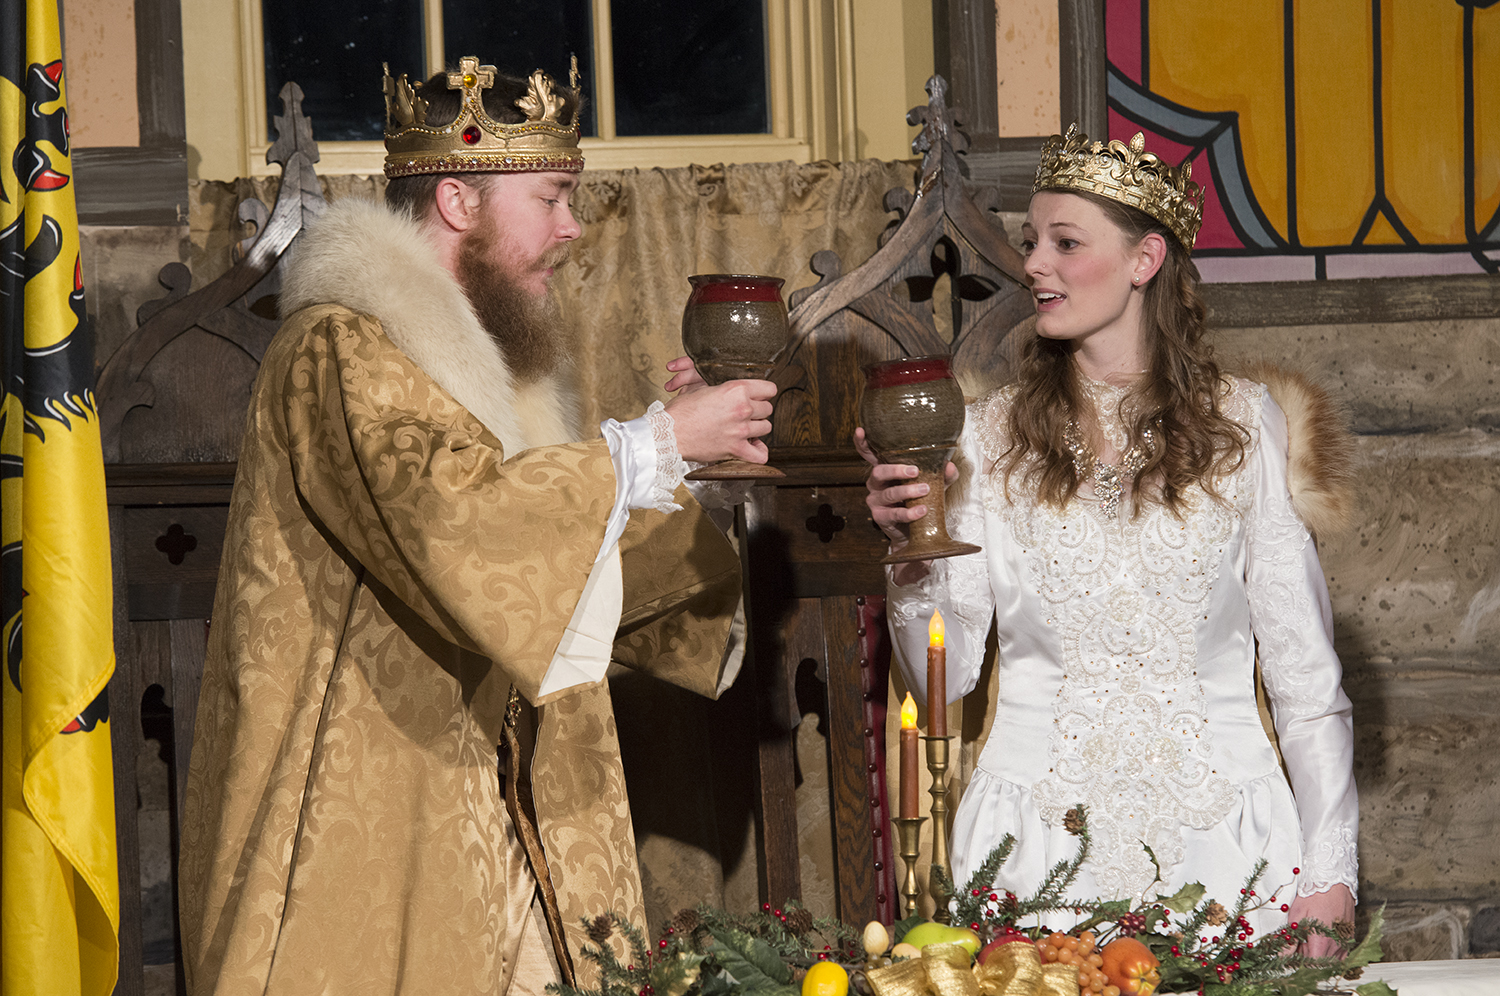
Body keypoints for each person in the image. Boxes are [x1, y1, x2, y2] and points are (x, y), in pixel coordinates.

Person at [179, 58, 773, 996]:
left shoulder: (517, 381)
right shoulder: (340, 347)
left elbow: (557, 574)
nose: (572, 230)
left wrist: (689, 473)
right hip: (380, 817)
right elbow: (453, 525)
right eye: (550, 198)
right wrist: (645, 447)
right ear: (459, 201)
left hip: (521, 825)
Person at [860, 125, 1357, 954]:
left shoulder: (1244, 424)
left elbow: (1307, 681)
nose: (1033, 266)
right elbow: (942, 684)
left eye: (1064, 243)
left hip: (1232, 855)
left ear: (1144, 260)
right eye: (1030, 244)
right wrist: (915, 546)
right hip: (1032, 861)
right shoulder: (984, 438)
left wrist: (1330, 874)